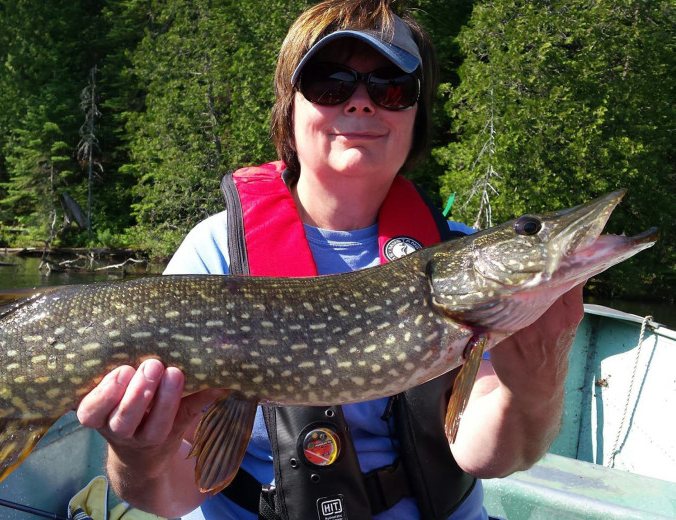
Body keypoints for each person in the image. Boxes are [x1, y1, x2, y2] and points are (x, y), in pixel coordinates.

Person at [76, 0, 584, 518]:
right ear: (288, 109)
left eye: (390, 85)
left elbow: (488, 454)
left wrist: (539, 378)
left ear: (416, 112)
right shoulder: (216, 252)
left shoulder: (456, 257)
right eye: (328, 83)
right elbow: (169, 497)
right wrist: (138, 453)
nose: (361, 104)